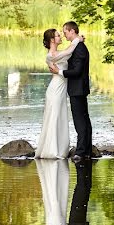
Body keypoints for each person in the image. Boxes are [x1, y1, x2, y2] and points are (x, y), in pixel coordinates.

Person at [49, 21, 92, 161]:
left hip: (77, 88)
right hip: (78, 88)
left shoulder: (79, 48)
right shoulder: (77, 46)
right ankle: (86, 149)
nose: (64, 35)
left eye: (65, 32)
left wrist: (59, 71)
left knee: (80, 121)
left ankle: (80, 152)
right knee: (84, 119)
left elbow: (77, 71)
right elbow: (68, 53)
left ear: (72, 31)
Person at [35, 28, 76, 159]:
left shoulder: (59, 53)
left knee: (60, 116)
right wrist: (76, 40)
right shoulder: (51, 56)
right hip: (55, 89)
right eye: (58, 36)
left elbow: (68, 54)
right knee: (55, 116)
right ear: (52, 40)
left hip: (61, 89)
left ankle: (60, 148)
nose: (61, 37)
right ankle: (52, 150)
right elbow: (69, 51)